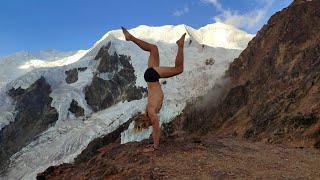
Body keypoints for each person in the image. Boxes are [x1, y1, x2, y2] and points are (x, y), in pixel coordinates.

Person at [121, 27, 186, 152]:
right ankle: (131, 38)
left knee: (179, 69)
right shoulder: (148, 111)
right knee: (153, 49)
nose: (148, 127)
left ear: (146, 122)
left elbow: (156, 129)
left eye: (145, 127)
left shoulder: (150, 112)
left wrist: (155, 147)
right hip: (150, 77)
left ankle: (180, 45)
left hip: (152, 76)